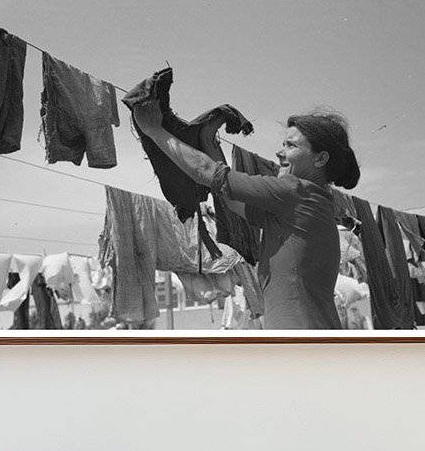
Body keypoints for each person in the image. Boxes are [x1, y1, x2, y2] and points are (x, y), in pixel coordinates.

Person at [131, 104, 360, 329]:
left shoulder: (297, 192)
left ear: (320, 159)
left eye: (291, 145)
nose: (279, 152)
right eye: (283, 144)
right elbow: (232, 200)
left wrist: (153, 129)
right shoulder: (310, 205)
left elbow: (206, 171)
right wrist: (209, 140)